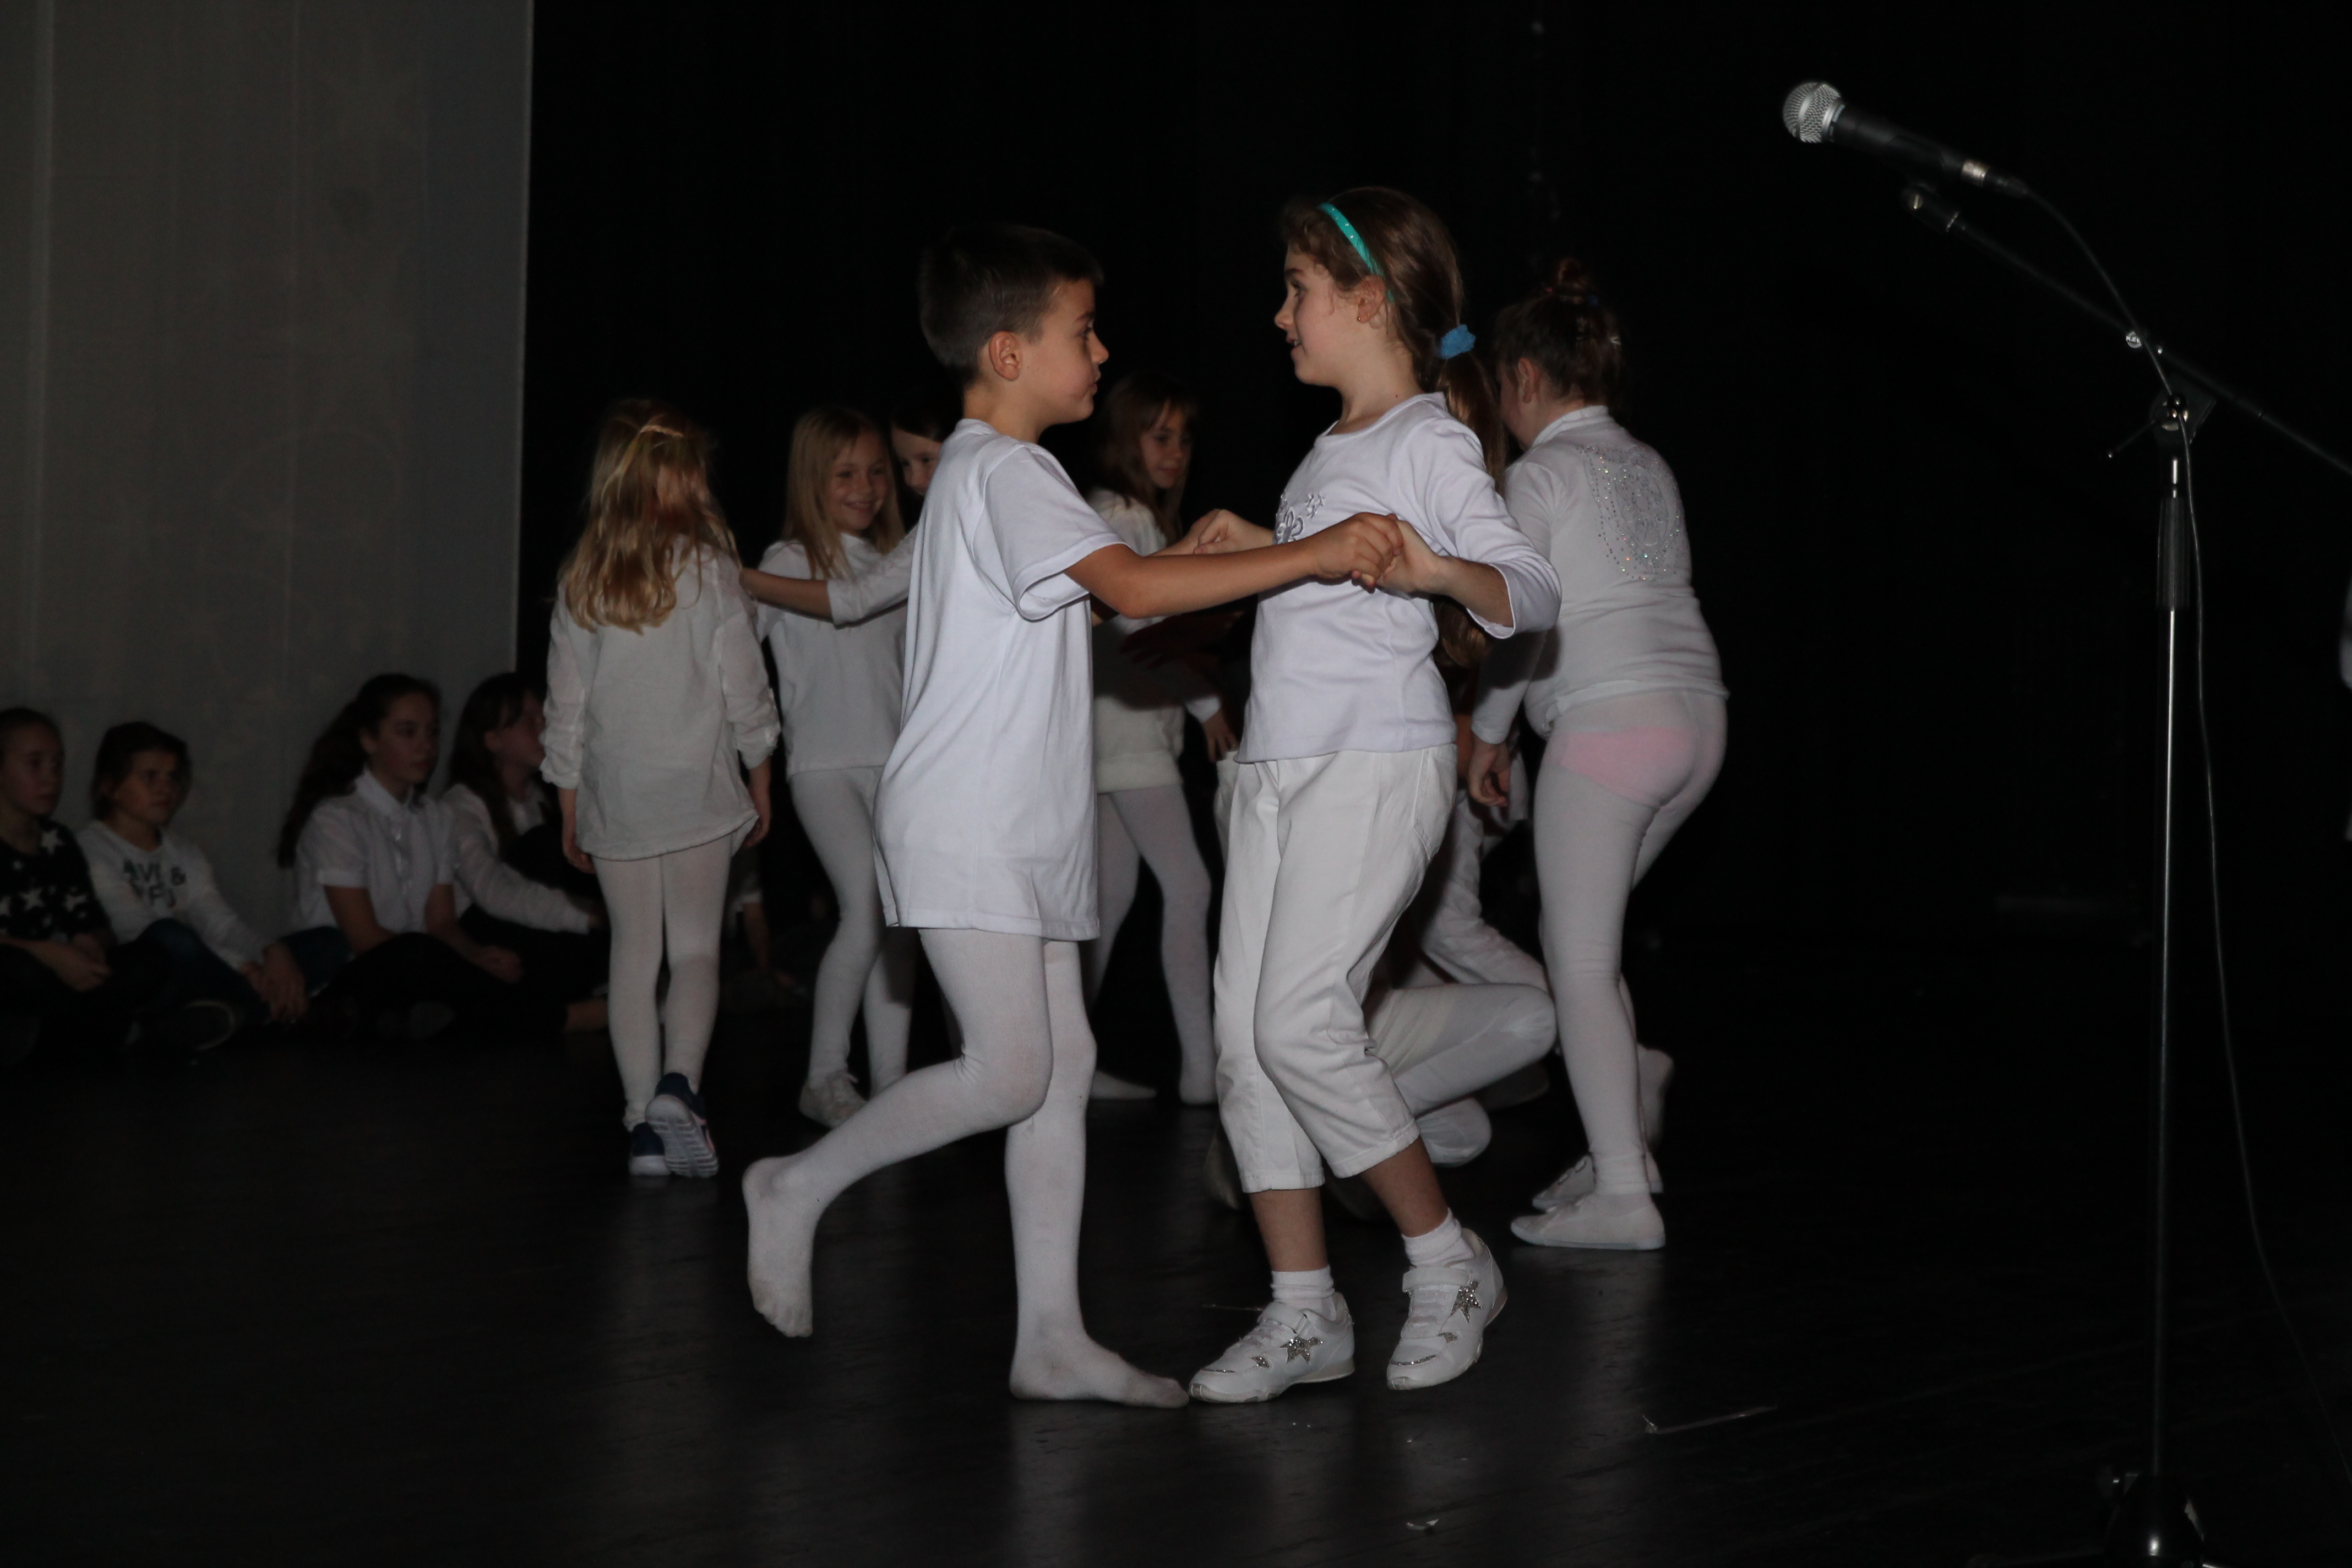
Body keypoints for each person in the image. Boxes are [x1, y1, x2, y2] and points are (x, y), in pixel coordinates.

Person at [741, 222, 1405, 1406]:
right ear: (1007, 352)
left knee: (1062, 1065)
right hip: (971, 821)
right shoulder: (1006, 472)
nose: (1101, 352)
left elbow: (1123, 607)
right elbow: (1134, 586)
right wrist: (1307, 556)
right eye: (1082, 332)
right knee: (1009, 1071)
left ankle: (1049, 1336)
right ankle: (793, 1184)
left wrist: (1205, 566)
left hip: (1022, 819)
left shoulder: (995, 478)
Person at [1179, 189, 1560, 1403]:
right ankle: (1305, 1311)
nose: (1279, 314)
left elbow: (1533, 590)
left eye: (1297, 291)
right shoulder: (1330, 449)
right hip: (1277, 770)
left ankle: (1449, 1261)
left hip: (1371, 766)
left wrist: (1437, 568)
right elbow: (1333, 587)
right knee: (1246, 1048)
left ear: (1367, 299)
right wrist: (1257, 544)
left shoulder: (1428, 440)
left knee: (1298, 1022)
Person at [1467, 259, 1727, 1251]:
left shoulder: (1539, 473)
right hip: (1698, 721)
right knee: (1589, 944)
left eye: (1501, 387)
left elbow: (1518, 617)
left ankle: (1624, 1194)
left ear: (1525, 378)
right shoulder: (1645, 462)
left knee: (1575, 959)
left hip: (1612, 728)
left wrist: (1489, 733)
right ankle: (1630, 1124)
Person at [543, 400, 781, 1180]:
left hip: (618, 796)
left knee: (634, 956)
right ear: (681, 480)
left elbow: (566, 709)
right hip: (697, 793)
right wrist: (761, 772)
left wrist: (569, 803)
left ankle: (642, 1123)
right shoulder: (710, 570)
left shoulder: (581, 579)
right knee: (697, 949)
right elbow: (746, 687)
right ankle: (681, 1084)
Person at [750, 406, 918, 1129]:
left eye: (877, 472)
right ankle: (823, 1076)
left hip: (894, 768)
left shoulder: (893, 566)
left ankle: (893, 1084)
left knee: (900, 922)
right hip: (822, 768)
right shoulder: (786, 562)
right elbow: (735, 651)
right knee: (867, 907)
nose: (866, 487)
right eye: (845, 474)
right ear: (811, 480)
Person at [279, 675, 588, 1047]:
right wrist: (458, 965)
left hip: (418, 966)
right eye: (408, 733)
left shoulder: (434, 817)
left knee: (482, 956)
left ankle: (448, 1018)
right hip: (355, 974)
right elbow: (365, 941)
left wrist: (474, 955)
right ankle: (564, 1018)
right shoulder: (338, 820)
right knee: (417, 953)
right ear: (369, 739)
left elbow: (441, 921)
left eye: (432, 733)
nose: (425, 746)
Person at [1081, 371, 1234, 1106]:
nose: (1175, 452)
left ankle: (1064, 1059)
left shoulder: (1128, 517)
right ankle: (1202, 1070)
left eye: (1185, 439)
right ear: (1125, 441)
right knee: (1190, 885)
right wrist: (1207, 703)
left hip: (1118, 733)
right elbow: (1138, 628)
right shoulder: (1123, 519)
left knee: (1109, 901)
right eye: (1160, 437)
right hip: (1127, 733)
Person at [79, 721, 308, 1033]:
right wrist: (244, 968)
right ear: (111, 787)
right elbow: (137, 930)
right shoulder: (91, 849)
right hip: (148, 977)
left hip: (205, 968)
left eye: (172, 777)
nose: (166, 788)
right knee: (169, 938)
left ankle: (239, 1010)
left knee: (325, 943)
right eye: (150, 776)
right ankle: (267, 1009)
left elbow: (218, 921)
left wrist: (270, 952)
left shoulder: (184, 851)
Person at [0, 709, 173, 1062]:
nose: (51, 777)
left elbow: (94, 924)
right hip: (24, 972)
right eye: (35, 764)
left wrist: (88, 944)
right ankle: (114, 1033)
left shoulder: (57, 841)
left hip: (57, 981)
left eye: (57, 765)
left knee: (150, 958)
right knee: (15, 969)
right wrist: (46, 952)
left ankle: (49, 1039)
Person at [441, 675, 609, 1026]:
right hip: (482, 937)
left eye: (544, 718)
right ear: (493, 740)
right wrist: (587, 916)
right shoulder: (461, 806)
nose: (544, 729)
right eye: (528, 722)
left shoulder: (540, 802)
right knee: (545, 847)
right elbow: (493, 891)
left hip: (535, 927)